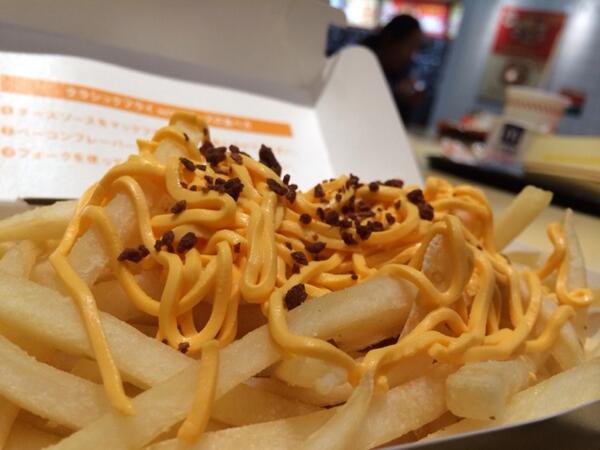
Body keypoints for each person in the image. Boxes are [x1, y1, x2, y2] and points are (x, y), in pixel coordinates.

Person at [362, 15, 424, 121]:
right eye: (410, 45)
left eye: (416, 48)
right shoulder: (360, 59)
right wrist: (394, 93)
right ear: (390, 39)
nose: (412, 55)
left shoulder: (402, 71)